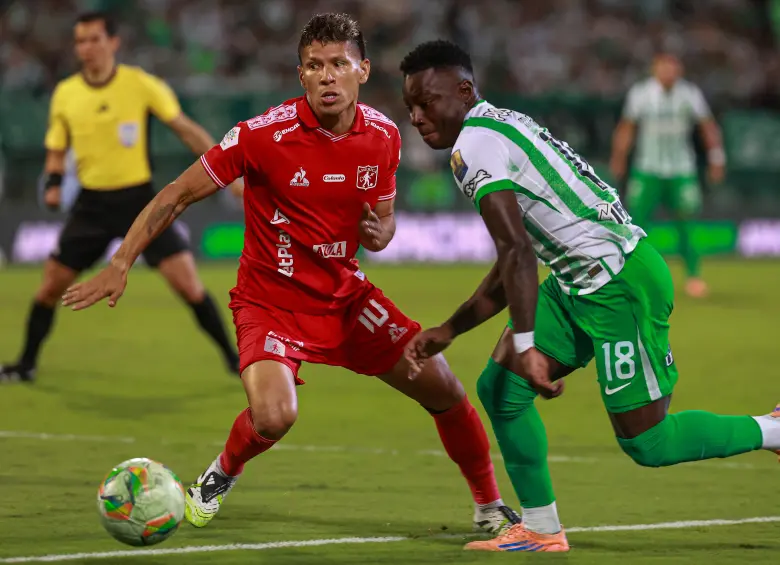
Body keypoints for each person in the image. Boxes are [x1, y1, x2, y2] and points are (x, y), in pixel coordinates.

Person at [61, 14, 520, 536]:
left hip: (345, 299)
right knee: (276, 415)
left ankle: (489, 505)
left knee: (444, 389)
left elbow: (384, 221)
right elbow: (176, 195)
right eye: (314, 66)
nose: (327, 76)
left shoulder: (384, 136)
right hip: (270, 301)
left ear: (363, 70)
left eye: (339, 64)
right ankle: (221, 473)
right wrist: (121, 261)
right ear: (300, 74)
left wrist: (379, 234)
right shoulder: (262, 136)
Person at [400, 40, 780, 553]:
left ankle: (772, 431)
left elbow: (516, 251)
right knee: (502, 390)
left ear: (464, 91)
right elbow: (516, 255)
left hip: (619, 283)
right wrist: (451, 329)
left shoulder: (476, 145)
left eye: (427, 102)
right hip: (577, 279)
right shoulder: (498, 125)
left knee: (648, 441)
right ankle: (541, 528)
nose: (417, 118)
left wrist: (527, 343)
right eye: (410, 107)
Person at [0, 11, 240, 383]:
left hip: (141, 204)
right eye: (80, 41)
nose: (86, 48)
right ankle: (26, 364)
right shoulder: (66, 93)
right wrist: (53, 183)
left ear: (113, 42)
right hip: (91, 206)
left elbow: (185, 129)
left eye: (94, 39)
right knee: (49, 288)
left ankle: (234, 360)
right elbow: (56, 149)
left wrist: (226, 170)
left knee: (189, 286)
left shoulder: (140, 84)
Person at [610, 52, 726, 298]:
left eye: (672, 68)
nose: (668, 73)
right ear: (655, 70)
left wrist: (716, 158)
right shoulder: (641, 93)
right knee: (637, 225)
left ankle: (693, 276)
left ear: (679, 71)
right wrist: (619, 157)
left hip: (681, 170)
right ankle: (632, 277)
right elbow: (627, 127)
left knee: (686, 223)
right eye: (664, 68)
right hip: (647, 169)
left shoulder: (690, 94)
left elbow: (707, 126)